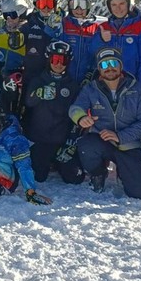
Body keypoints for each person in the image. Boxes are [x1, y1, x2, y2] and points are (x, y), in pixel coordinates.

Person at [70, 47, 141, 199]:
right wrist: (81, 118)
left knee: (140, 193)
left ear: (120, 66)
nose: (109, 68)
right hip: (101, 140)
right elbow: (75, 107)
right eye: (103, 64)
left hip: (129, 144)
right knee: (86, 145)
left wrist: (119, 136)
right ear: (99, 69)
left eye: (113, 63)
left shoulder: (136, 88)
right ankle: (98, 173)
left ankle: (124, 172)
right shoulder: (91, 88)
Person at [23, 41, 83, 184]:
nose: (58, 64)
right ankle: (47, 161)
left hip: (61, 141)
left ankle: (57, 162)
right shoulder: (38, 80)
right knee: (39, 177)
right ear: (49, 59)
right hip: (40, 139)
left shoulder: (73, 86)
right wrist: (38, 93)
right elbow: (28, 102)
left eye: (63, 60)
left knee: (75, 177)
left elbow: (78, 114)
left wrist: (71, 143)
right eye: (55, 59)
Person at [90, 0, 141, 93]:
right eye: (113, 5)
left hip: (130, 86)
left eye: (122, 4)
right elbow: (91, 54)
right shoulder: (104, 27)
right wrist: (100, 39)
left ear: (130, 4)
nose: (118, 8)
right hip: (106, 85)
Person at [21, 0, 63, 83]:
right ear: (36, 5)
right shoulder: (29, 24)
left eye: (50, 4)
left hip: (54, 72)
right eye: (42, 4)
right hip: (32, 74)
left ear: (55, 5)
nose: (46, 8)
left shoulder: (62, 24)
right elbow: (16, 45)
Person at [61, 0, 99, 84]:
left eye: (83, 5)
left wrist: (92, 73)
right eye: (74, 4)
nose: (78, 9)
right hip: (65, 79)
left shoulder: (96, 28)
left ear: (89, 6)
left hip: (86, 80)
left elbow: (97, 54)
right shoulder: (63, 24)